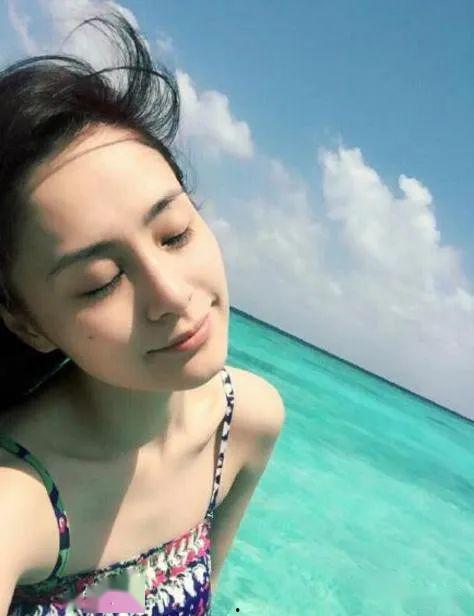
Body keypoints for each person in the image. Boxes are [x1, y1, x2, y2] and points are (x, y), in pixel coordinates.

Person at [0, 10, 285, 616]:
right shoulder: (18, 503)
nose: (173, 296)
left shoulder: (246, 422)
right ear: (28, 322)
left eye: (174, 233)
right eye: (101, 282)